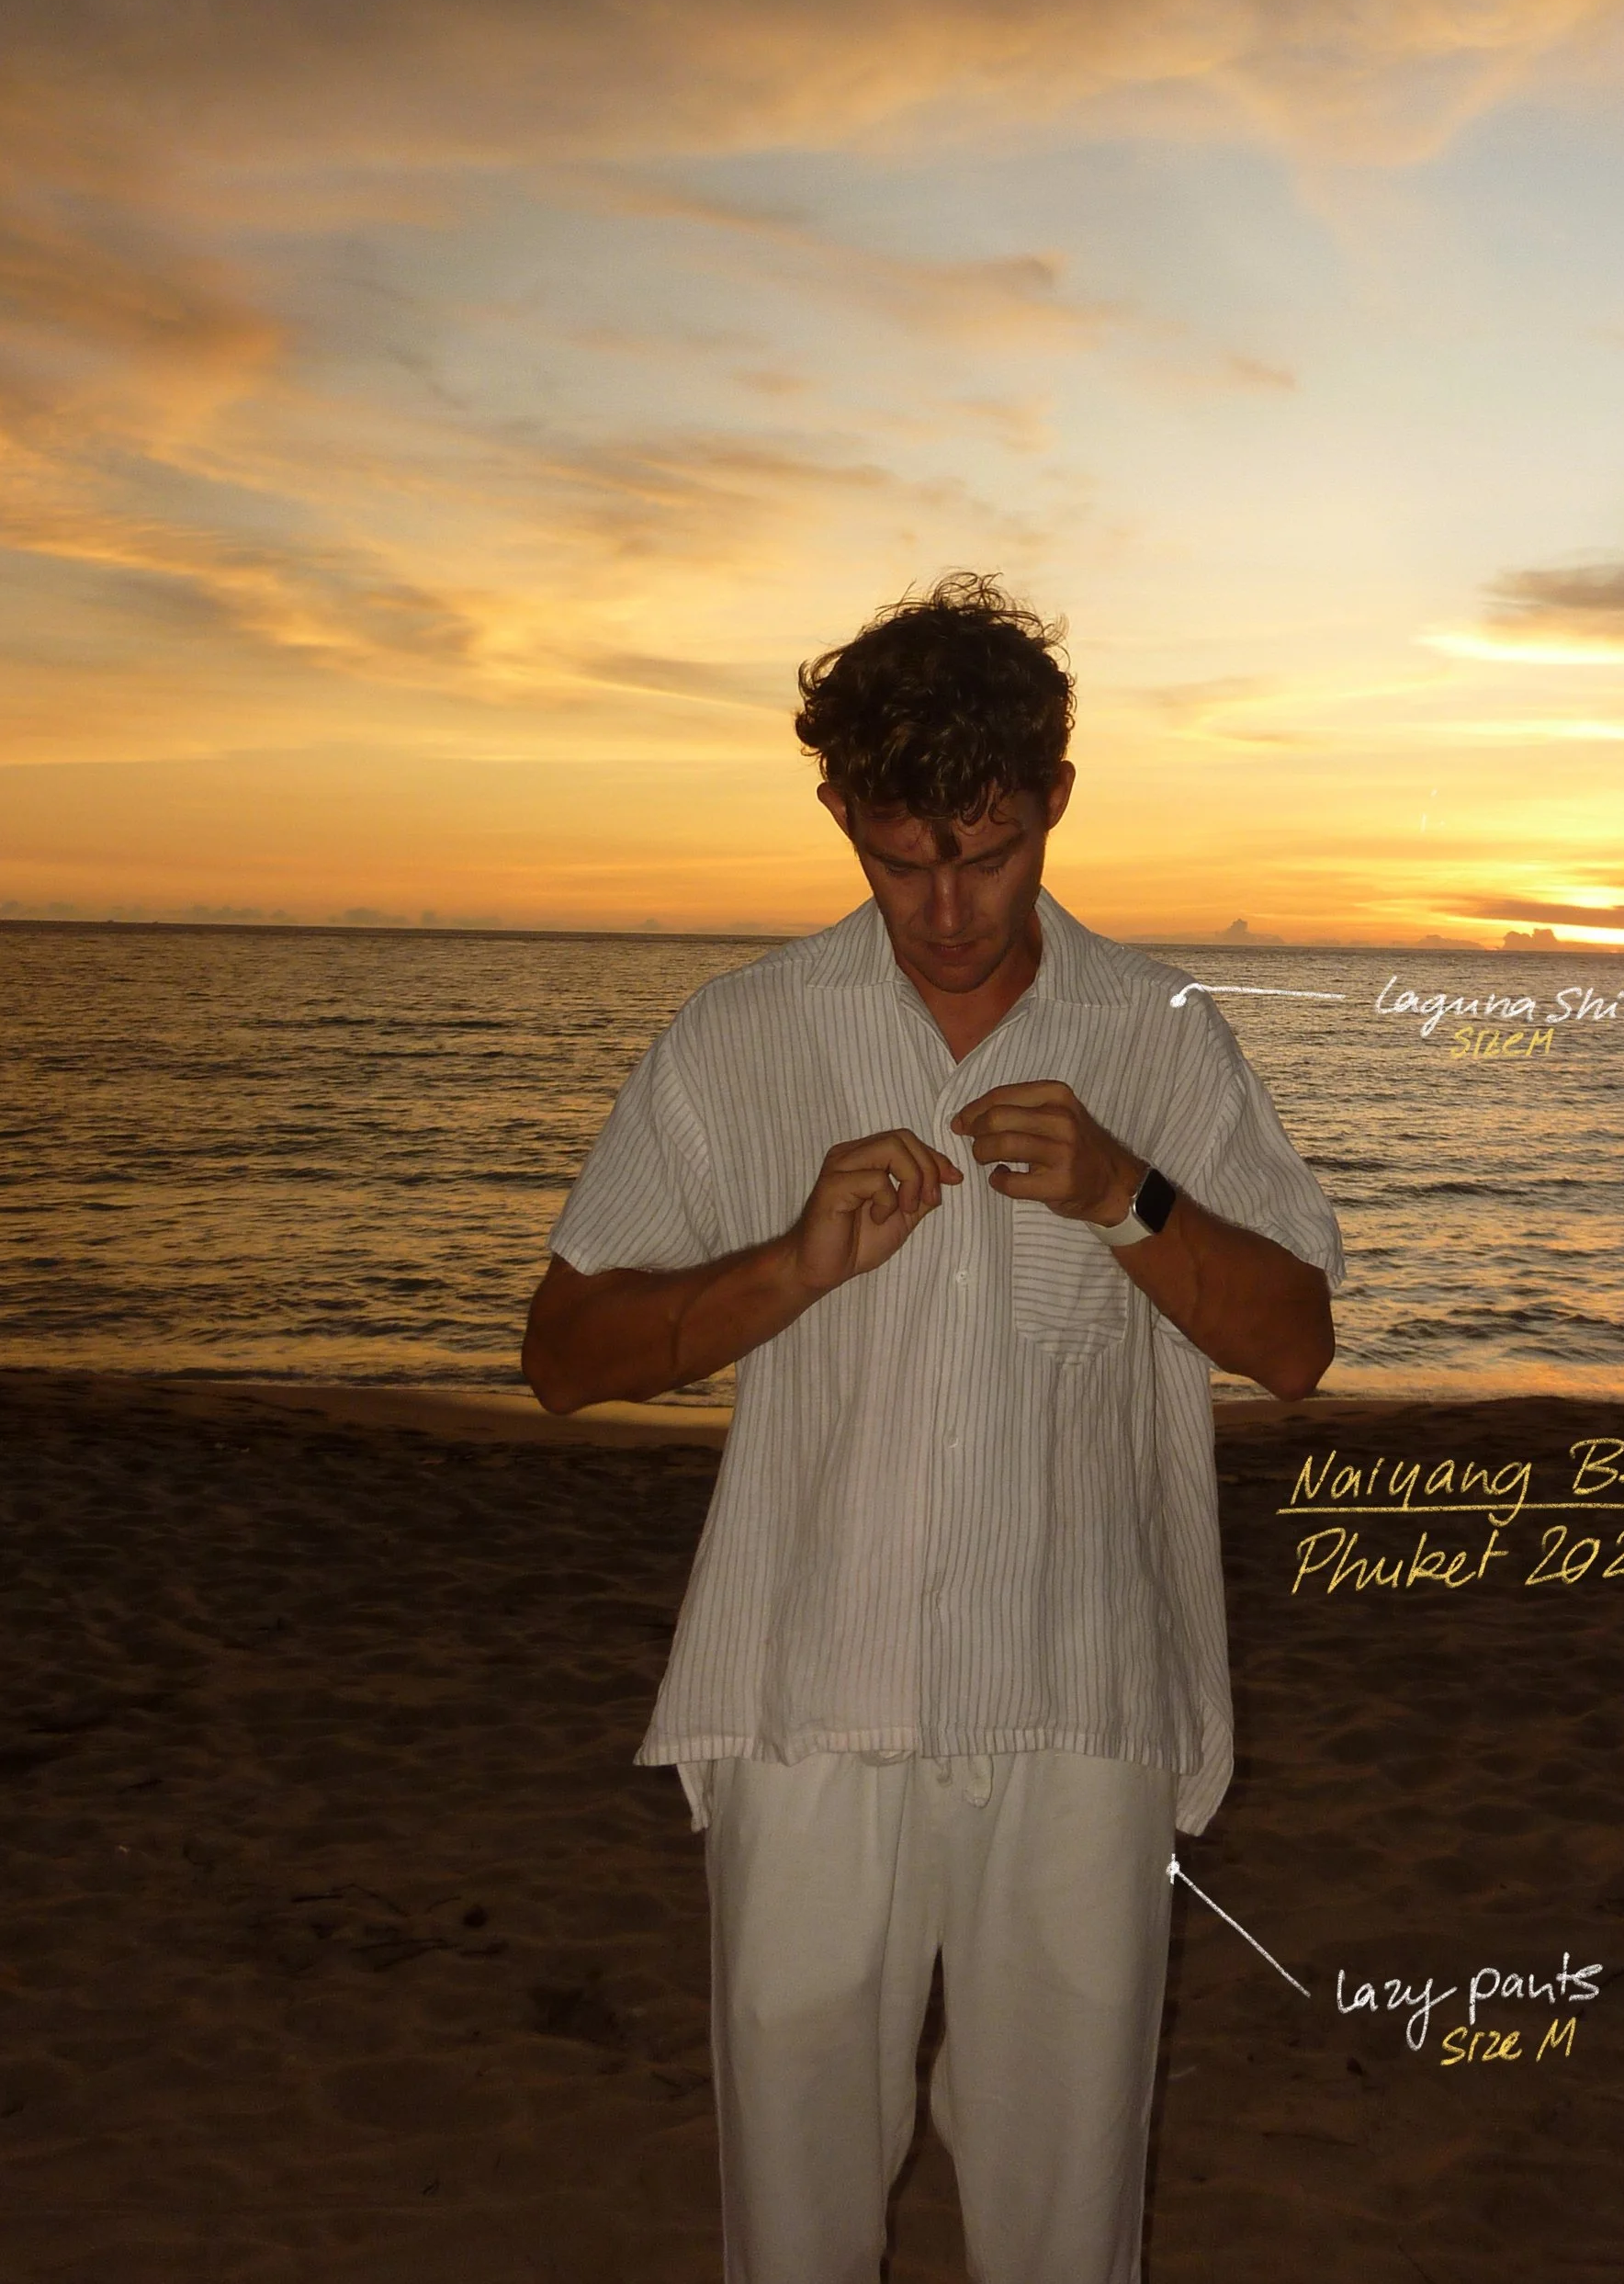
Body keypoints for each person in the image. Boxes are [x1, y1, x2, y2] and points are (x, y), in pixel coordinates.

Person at [521, 572, 1344, 2284]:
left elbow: (1297, 1346)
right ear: (838, 812)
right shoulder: (741, 1036)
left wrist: (1133, 1196)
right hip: (804, 1692)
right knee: (797, 2238)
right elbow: (564, 1356)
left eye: (984, 850)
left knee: (1066, 2238)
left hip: (1085, 1692)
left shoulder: (1164, 1033)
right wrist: (789, 1263)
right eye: (900, 858)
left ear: (1055, 794)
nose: (947, 906)